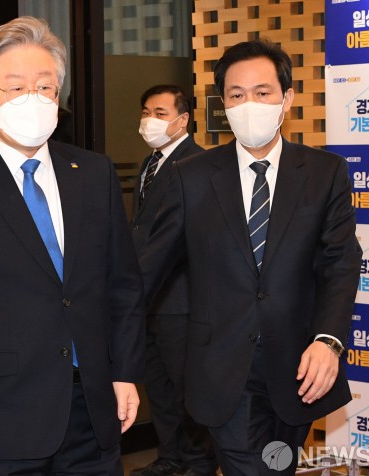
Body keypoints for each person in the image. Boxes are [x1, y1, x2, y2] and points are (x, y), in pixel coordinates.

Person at [0, 16, 145, 475]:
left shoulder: (93, 173)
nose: (33, 99)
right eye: (16, 88)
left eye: (45, 87)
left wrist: (124, 371)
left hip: (93, 410)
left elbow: (123, 286)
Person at [138, 40, 362, 476]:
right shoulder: (191, 177)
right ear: (224, 104)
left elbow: (340, 263)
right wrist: (112, 352)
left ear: (287, 98)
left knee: (277, 464)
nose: (249, 104)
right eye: (237, 95)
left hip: (298, 368)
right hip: (222, 370)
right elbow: (148, 270)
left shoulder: (324, 172)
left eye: (262, 93)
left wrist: (328, 340)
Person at [130, 85, 217, 476]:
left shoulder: (198, 164)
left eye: (160, 113)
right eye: (146, 112)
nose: (150, 120)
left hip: (181, 300)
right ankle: (170, 457)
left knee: (186, 389)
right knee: (159, 388)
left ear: (183, 120)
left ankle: (198, 462)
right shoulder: (149, 164)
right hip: (149, 299)